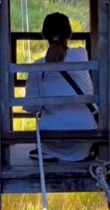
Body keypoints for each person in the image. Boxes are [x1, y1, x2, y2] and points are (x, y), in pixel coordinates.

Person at [22, 13, 97, 161]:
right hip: (88, 134)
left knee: (47, 123)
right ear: (70, 34)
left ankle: (49, 152)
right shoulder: (82, 54)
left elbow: (32, 108)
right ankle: (83, 153)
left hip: (53, 137)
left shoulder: (37, 66)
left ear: (44, 35)